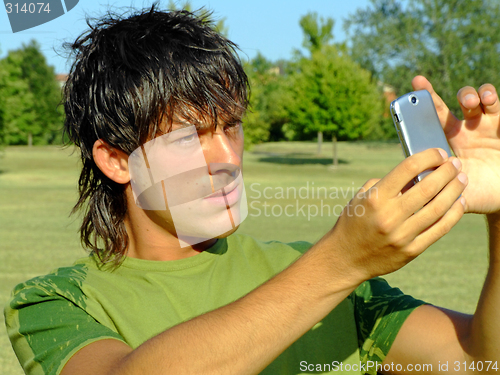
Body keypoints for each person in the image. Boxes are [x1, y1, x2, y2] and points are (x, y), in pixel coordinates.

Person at [4, 6, 500, 375]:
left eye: (231, 127)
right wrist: (342, 262)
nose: (226, 159)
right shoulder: (57, 301)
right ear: (116, 160)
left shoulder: (312, 272)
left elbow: (480, 360)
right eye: (187, 137)